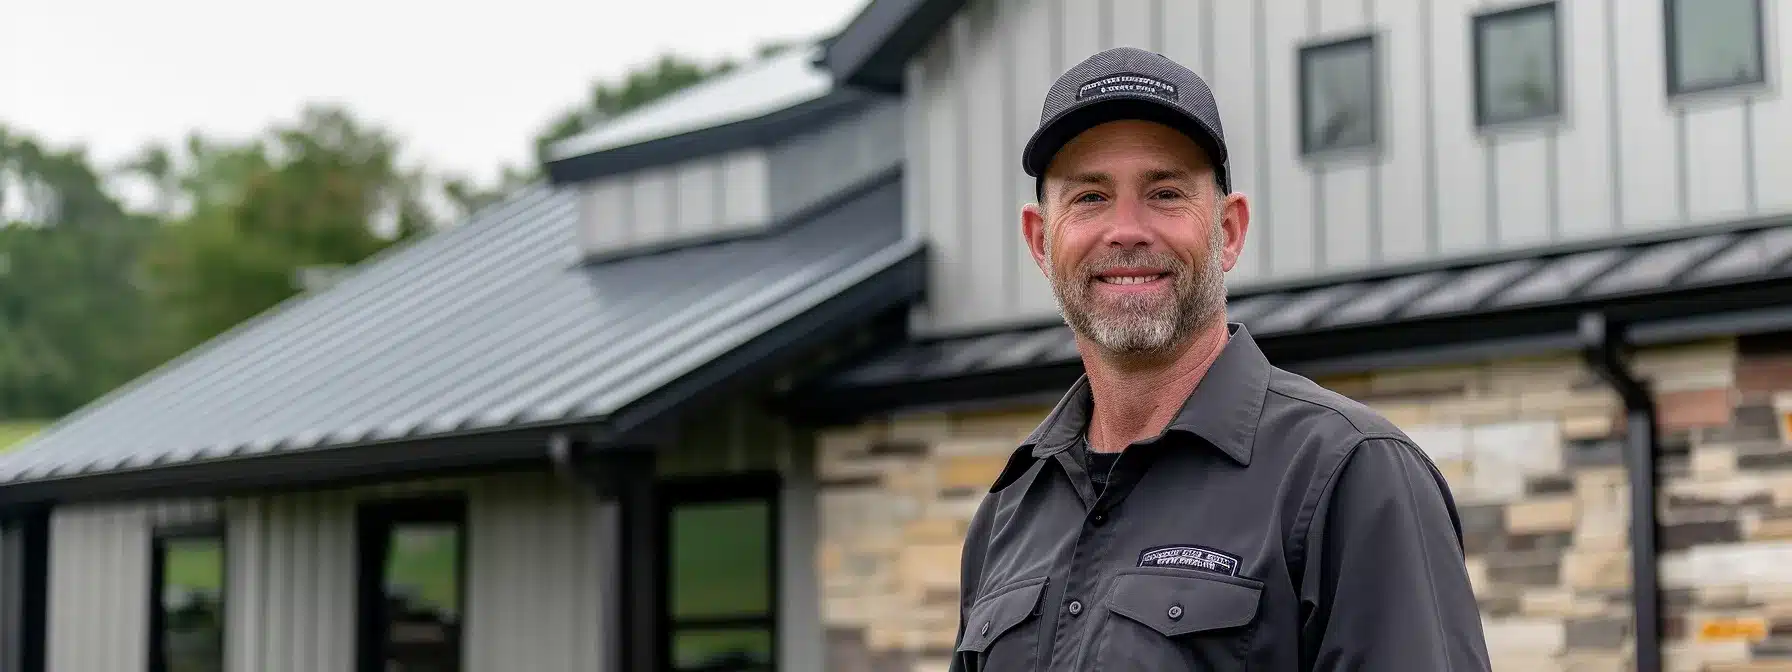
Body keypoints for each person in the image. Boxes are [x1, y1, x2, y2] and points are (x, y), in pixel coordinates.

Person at [949, 47, 1493, 671]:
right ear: (1040, 240)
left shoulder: (1350, 475)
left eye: (1165, 192)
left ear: (1228, 231)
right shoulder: (1008, 513)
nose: (1126, 229)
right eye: (1090, 197)